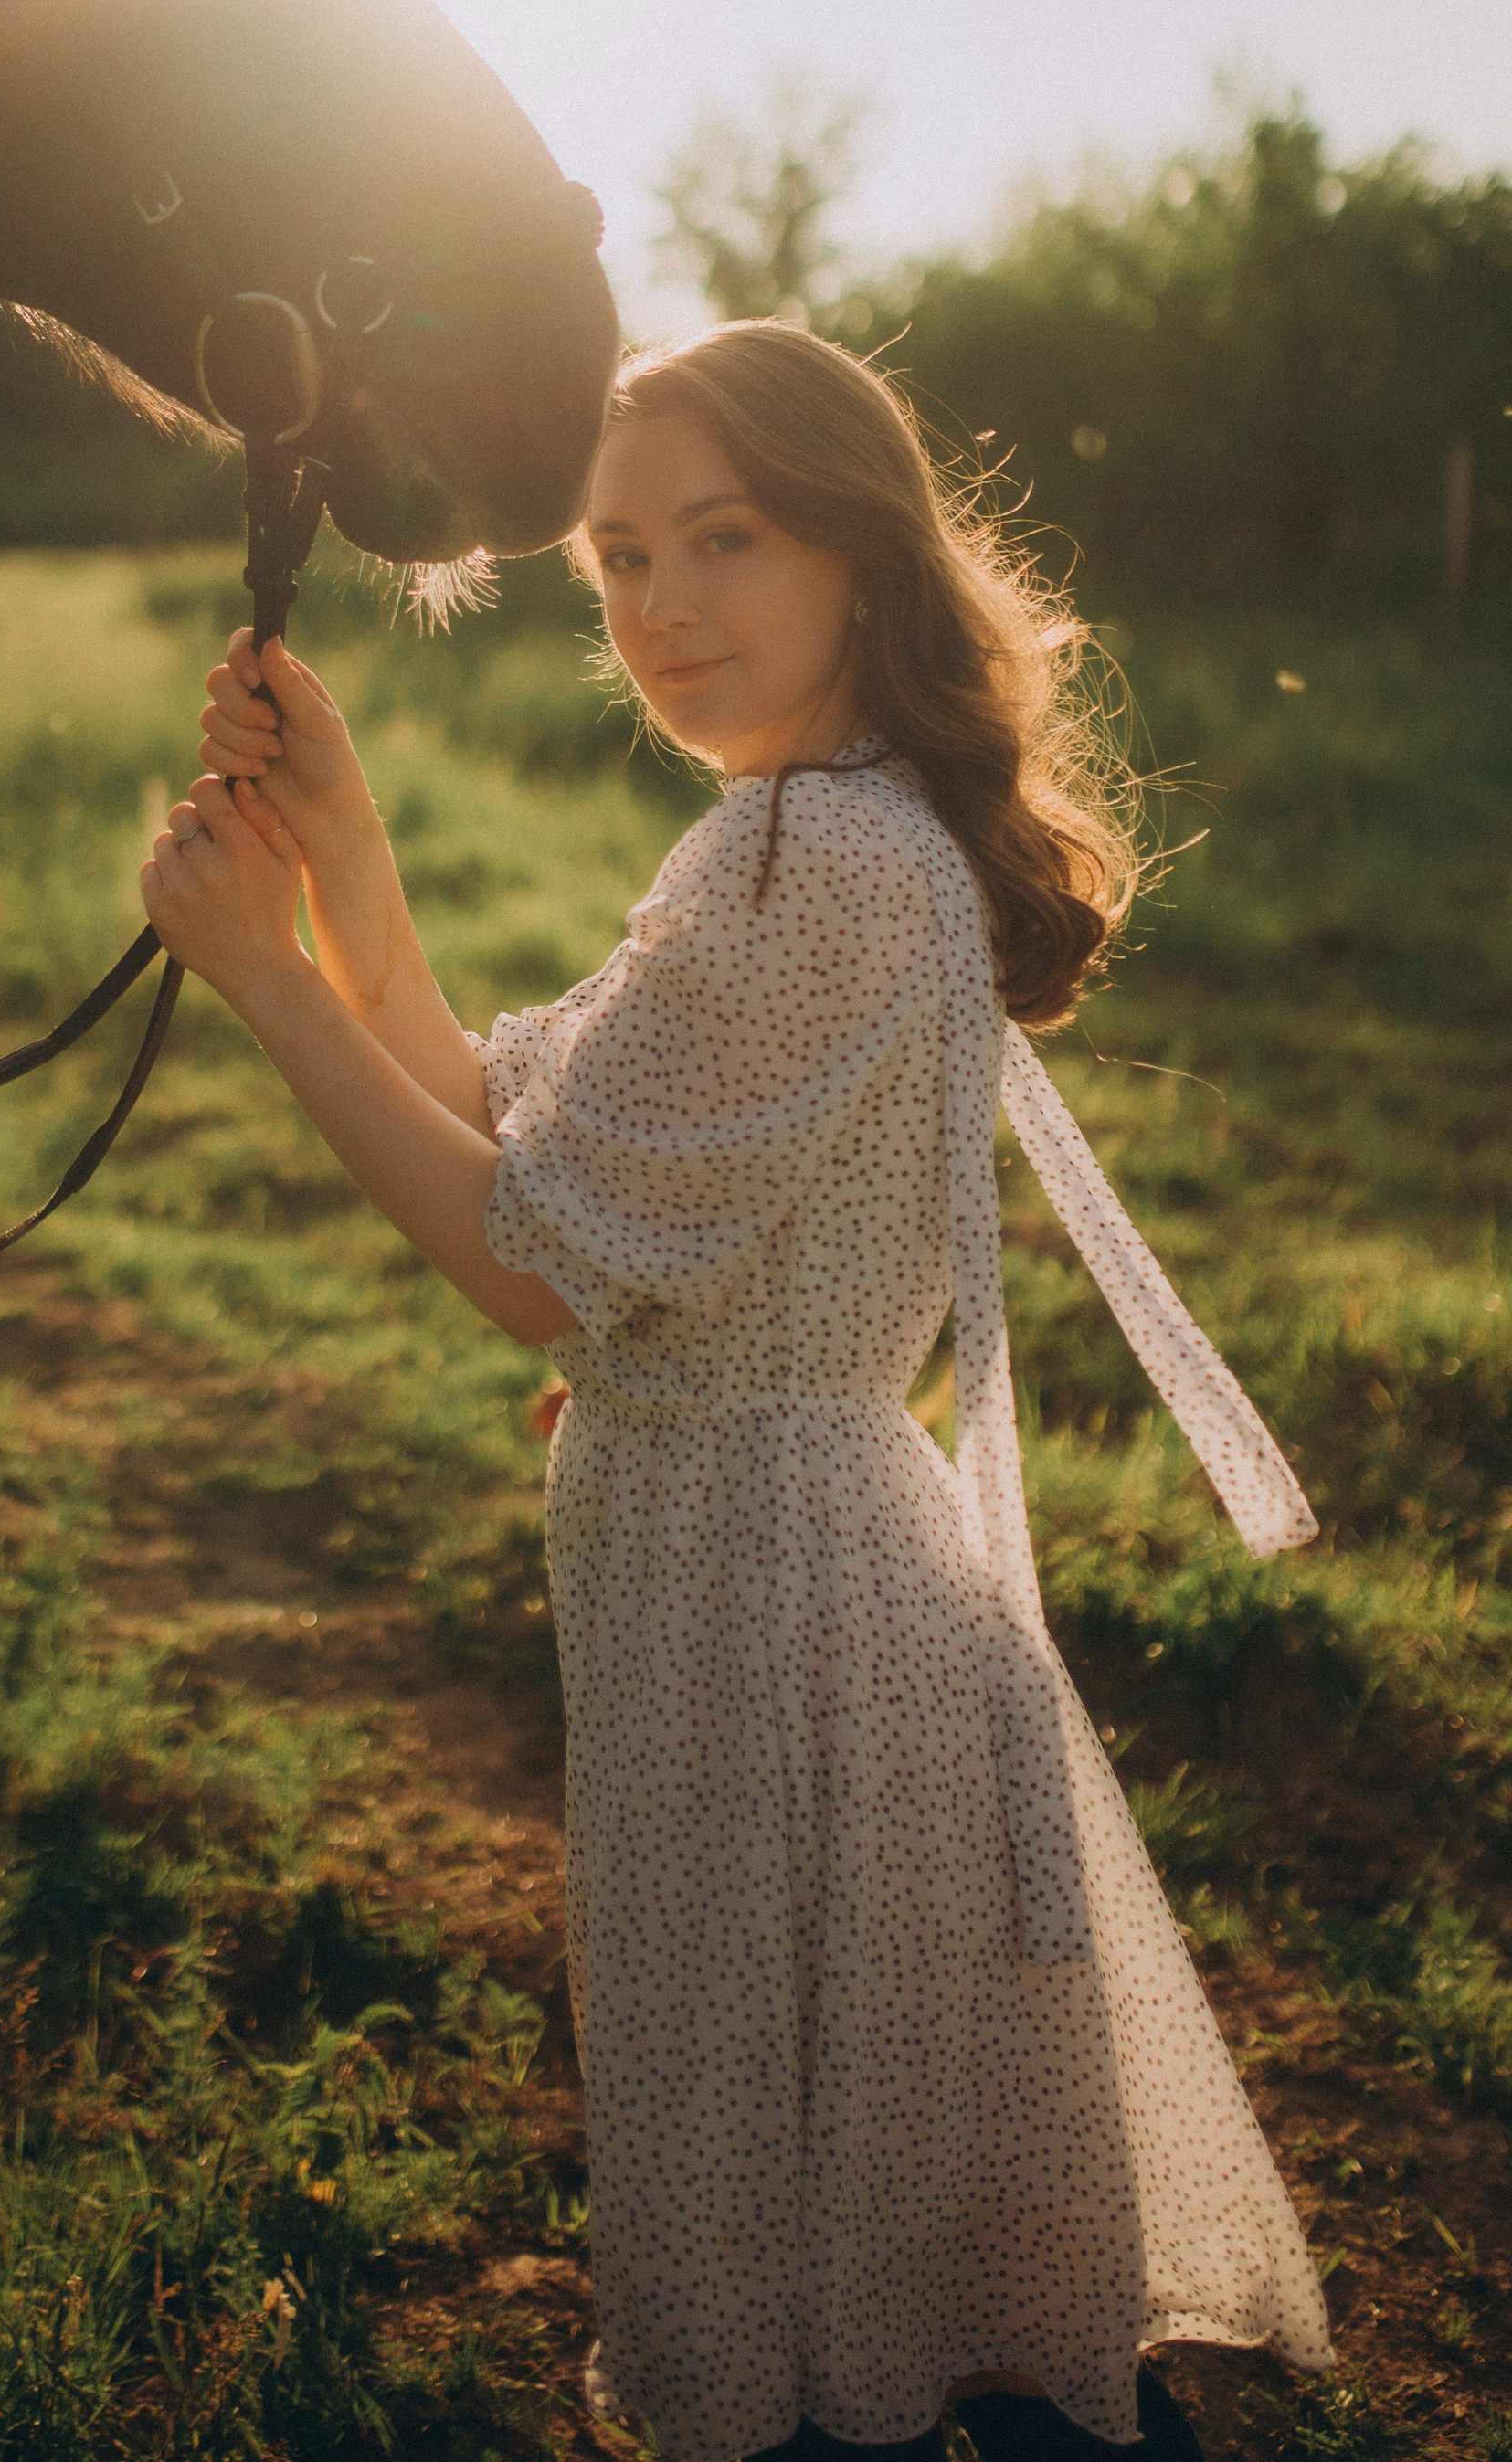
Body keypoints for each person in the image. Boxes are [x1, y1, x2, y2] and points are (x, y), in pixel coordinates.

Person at [140, 319, 1331, 2462]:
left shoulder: (810, 861)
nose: (661, 604)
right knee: (910, 2234)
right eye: (616, 557)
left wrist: (259, 983)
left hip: (786, 1625)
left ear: (858, 552)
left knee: (859, 2254)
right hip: (771, 1586)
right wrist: (339, 850)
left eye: (724, 539)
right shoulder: (807, 831)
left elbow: (528, 1258)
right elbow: (517, 1127)